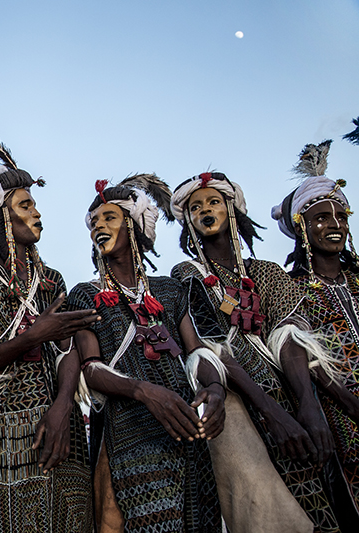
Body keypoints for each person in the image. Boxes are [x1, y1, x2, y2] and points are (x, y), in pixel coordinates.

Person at [170, 171, 340, 532]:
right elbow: (211, 346)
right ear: (188, 223)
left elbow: (289, 336)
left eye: (213, 202)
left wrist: (308, 405)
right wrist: (272, 412)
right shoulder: (188, 273)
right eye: (196, 207)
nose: (205, 210)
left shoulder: (267, 271)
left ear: (233, 210)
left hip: (293, 390)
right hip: (239, 402)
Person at [0, 131, 96, 532]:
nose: (37, 214)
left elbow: (68, 352)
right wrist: (32, 336)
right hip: (6, 429)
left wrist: (64, 405)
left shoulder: (51, 278)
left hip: (63, 423)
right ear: (0, 218)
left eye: (35, 205)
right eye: (26, 205)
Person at [68, 175, 226, 532]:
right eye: (94, 222)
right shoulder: (84, 295)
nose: (99, 226)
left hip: (188, 429)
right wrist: (144, 391)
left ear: (134, 228)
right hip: (132, 436)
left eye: (109, 218)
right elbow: (90, 368)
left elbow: (196, 352)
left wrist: (214, 389)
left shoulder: (170, 291)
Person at [272, 141, 359, 527]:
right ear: (302, 228)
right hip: (342, 418)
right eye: (322, 217)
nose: (335, 224)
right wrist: (348, 400)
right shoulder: (293, 289)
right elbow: (299, 353)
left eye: (342, 215)